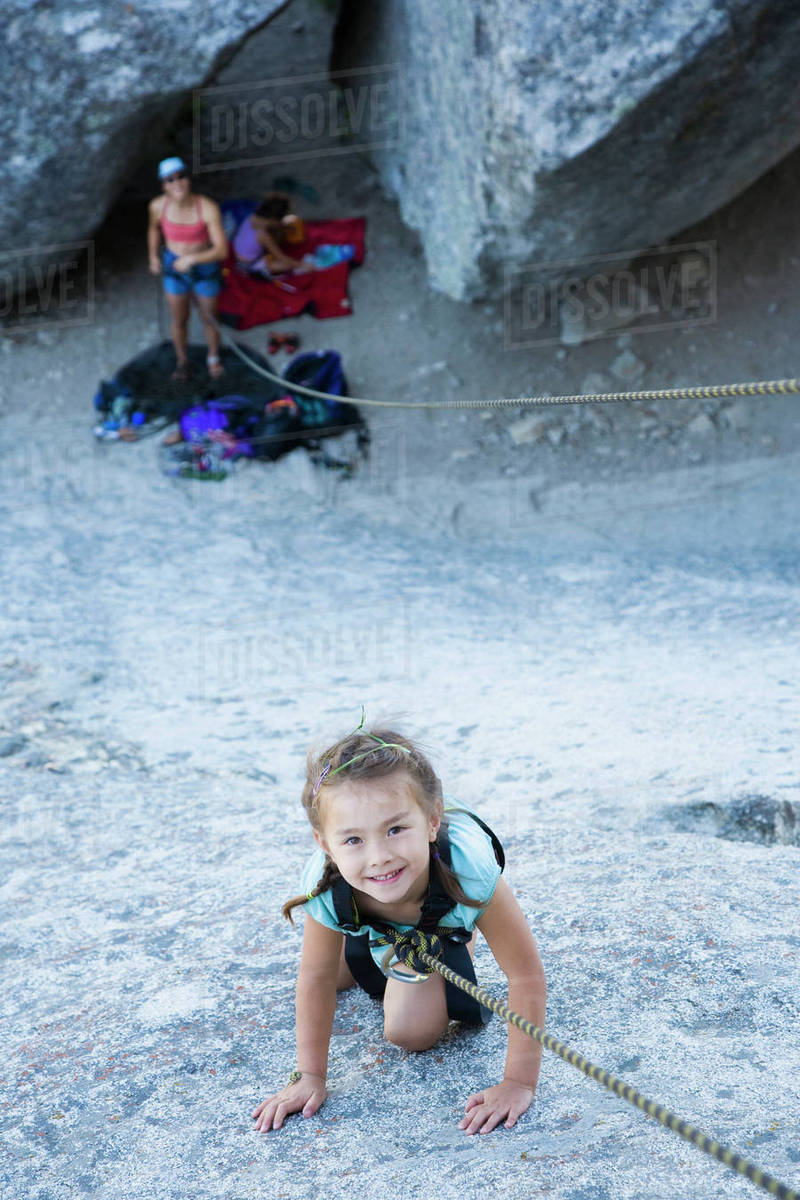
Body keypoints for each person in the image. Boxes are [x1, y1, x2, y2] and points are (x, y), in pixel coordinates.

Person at [252, 720, 547, 1136]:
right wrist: (310, 1076)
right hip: (371, 923)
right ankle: (372, 946)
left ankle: (458, 935)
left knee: (410, 1031)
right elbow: (314, 978)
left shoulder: (469, 871)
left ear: (431, 821)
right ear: (326, 846)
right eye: (353, 840)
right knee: (335, 978)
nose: (379, 857)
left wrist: (518, 1082)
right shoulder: (325, 884)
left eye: (395, 829)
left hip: (436, 917)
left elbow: (526, 975)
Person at [147, 157, 228, 379]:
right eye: (170, 179)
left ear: (188, 179)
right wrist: (153, 256)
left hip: (203, 266)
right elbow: (154, 229)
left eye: (181, 176)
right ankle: (182, 361)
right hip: (174, 265)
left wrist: (193, 259)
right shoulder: (157, 206)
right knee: (179, 318)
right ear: (164, 185)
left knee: (209, 317)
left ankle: (213, 358)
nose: (177, 183)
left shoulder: (207, 208)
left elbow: (221, 250)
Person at [232, 191, 313, 277]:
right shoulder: (263, 235)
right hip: (249, 264)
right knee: (287, 265)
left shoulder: (252, 216)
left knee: (280, 231)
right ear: (274, 219)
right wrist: (302, 265)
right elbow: (282, 258)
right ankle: (257, 269)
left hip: (241, 253)